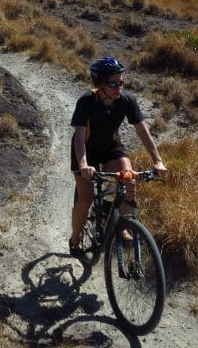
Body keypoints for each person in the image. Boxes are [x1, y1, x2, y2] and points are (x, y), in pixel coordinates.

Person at [69, 56, 166, 254]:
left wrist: (158, 161)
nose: (118, 87)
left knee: (129, 180)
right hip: (86, 150)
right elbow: (79, 136)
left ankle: (124, 225)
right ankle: (75, 238)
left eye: (121, 82)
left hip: (111, 146)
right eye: (113, 83)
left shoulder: (127, 100)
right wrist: (83, 164)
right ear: (100, 83)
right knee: (86, 199)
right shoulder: (87, 101)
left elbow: (142, 130)